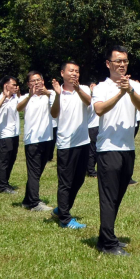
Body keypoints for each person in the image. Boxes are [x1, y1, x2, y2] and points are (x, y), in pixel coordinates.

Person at [91, 45, 140, 255]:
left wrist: (129, 90)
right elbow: (99, 109)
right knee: (108, 196)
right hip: (108, 148)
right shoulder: (102, 88)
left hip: (128, 147)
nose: (122, 65)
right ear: (108, 64)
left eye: (125, 61)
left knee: (117, 195)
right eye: (117, 61)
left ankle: (105, 237)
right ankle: (109, 244)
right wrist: (120, 94)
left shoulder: (135, 86)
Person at [52, 61, 92, 230]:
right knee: (65, 182)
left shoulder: (83, 89)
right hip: (66, 143)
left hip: (83, 141)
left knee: (79, 179)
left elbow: (89, 102)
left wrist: (77, 89)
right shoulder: (56, 93)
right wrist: (57, 95)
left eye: (77, 71)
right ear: (62, 73)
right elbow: (54, 113)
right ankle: (65, 219)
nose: (74, 73)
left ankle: (62, 209)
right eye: (71, 71)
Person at [18, 72, 56, 211]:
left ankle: (27, 200)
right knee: (34, 171)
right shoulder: (26, 98)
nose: (36, 83)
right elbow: (18, 108)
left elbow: (59, 101)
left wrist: (47, 92)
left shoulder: (50, 94)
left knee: (38, 171)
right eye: (33, 81)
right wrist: (29, 95)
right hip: (32, 139)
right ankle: (34, 203)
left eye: (38, 80)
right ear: (28, 84)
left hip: (47, 138)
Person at [0, 77, 21, 194]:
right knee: (4, 160)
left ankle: (6, 182)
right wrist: (4, 97)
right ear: (6, 85)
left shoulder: (16, 98)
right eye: (13, 85)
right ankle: (2, 185)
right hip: (5, 133)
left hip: (15, 133)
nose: (15, 87)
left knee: (12, 158)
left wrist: (18, 94)